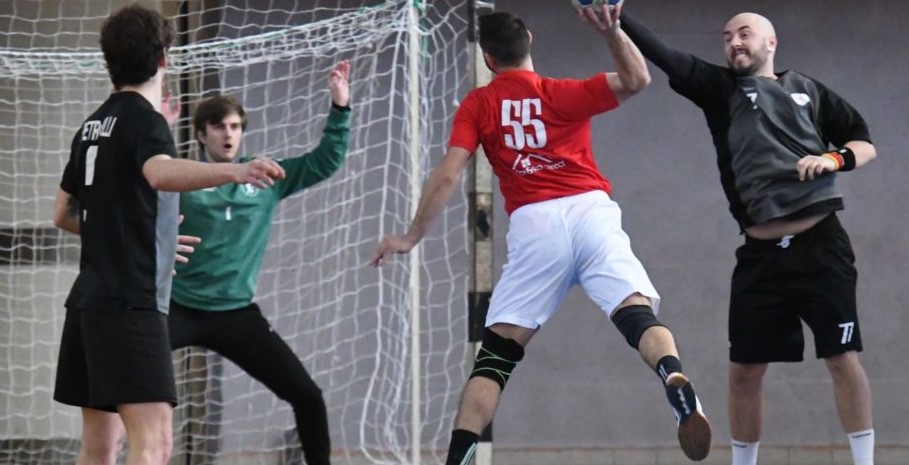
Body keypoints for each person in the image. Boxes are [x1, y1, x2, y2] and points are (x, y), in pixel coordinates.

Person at [372, 6, 711, 463]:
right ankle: (672, 376)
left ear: (488, 58)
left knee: (495, 359)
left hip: (536, 228)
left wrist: (411, 236)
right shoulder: (561, 92)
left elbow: (449, 174)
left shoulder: (479, 105)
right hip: (591, 214)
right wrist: (612, 31)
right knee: (636, 314)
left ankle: (457, 460)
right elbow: (638, 79)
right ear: (529, 40)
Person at [618, 10, 877, 465]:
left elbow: (864, 143)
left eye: (744, 33)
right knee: (744, 371)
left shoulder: (808, 90)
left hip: (820, 246)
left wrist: (833, 159)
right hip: (760, 254)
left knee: (841, 357)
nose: (734, 42)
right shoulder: (720, 90)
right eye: (727, 37)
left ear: (771, 42)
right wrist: (617, 16)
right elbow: (666, 56)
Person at [51, 5, 285, 465]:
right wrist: (235, 171)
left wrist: (137, 233)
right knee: (154, 445)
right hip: (129, 304)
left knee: (99, 449)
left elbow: (63, 213)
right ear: (163, 59)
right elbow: (159, 173)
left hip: (87, 304)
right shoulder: (146, 120)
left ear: (109, 60)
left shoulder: (91, 127)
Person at [167, 61, 352, 465]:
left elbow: (324, 161)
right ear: (201, 135)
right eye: (218, 127)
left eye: (235, 126)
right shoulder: (182, 180)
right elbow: (141, 184)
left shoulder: (264, 178)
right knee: (126, 381)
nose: (228, 134)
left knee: (307, 395)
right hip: (178, 306)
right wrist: (160, 129)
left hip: (234, 313)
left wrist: (340, 107)